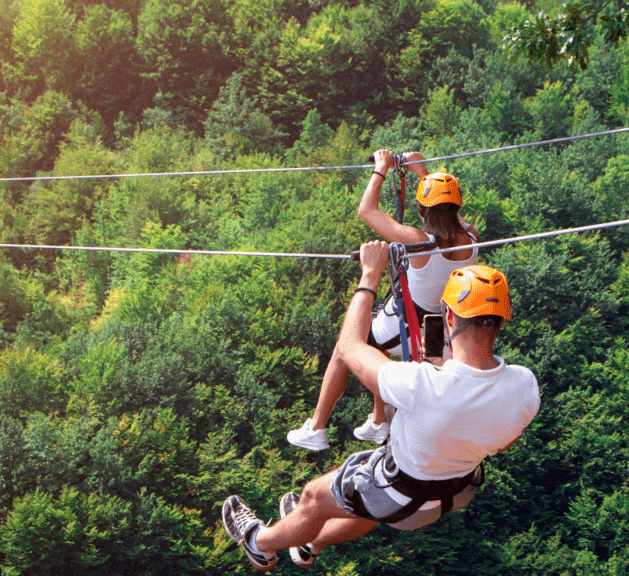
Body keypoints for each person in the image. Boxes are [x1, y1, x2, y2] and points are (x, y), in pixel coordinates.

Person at [223, 242, 540, 571]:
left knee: (313, 498)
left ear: (449, 315)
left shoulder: (419, 384)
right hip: (453, 494)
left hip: (398, 495)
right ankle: (310, 543)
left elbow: (349, 347)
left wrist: (370, 275)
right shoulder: (524, 387)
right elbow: (502, 442)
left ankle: (258, 543)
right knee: (364, 506)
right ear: (501, 322)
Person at [287, 149, 481, 451]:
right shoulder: (473, 238)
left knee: (346, 346)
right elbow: (447, 211)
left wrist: (380, 168)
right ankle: (379, 421)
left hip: (409, 321)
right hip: (439, 325)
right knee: (379, 342)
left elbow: (367, 210)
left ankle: (316, 427)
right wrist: (422, 172)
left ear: (421, 209)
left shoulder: (417, 241)